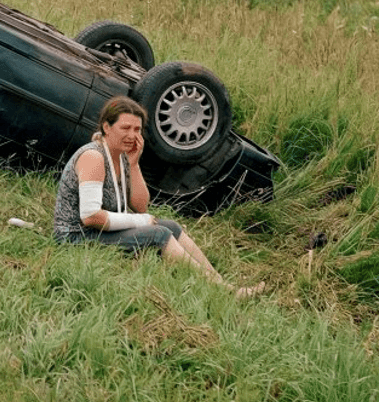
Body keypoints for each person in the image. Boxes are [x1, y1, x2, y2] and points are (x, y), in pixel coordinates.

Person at [53, 95, 264, 297]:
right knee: (158, 234)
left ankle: (222, 284)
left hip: (96, 231)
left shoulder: (120, 156)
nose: (132, 135)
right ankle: (222, 292)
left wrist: (134, 165)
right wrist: (139, 221)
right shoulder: (94, 157)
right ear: (107, 127)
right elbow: (90, 216)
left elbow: (140, 205)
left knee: (171, 226)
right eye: (125, 128)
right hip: (75, 236)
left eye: (137, 129)